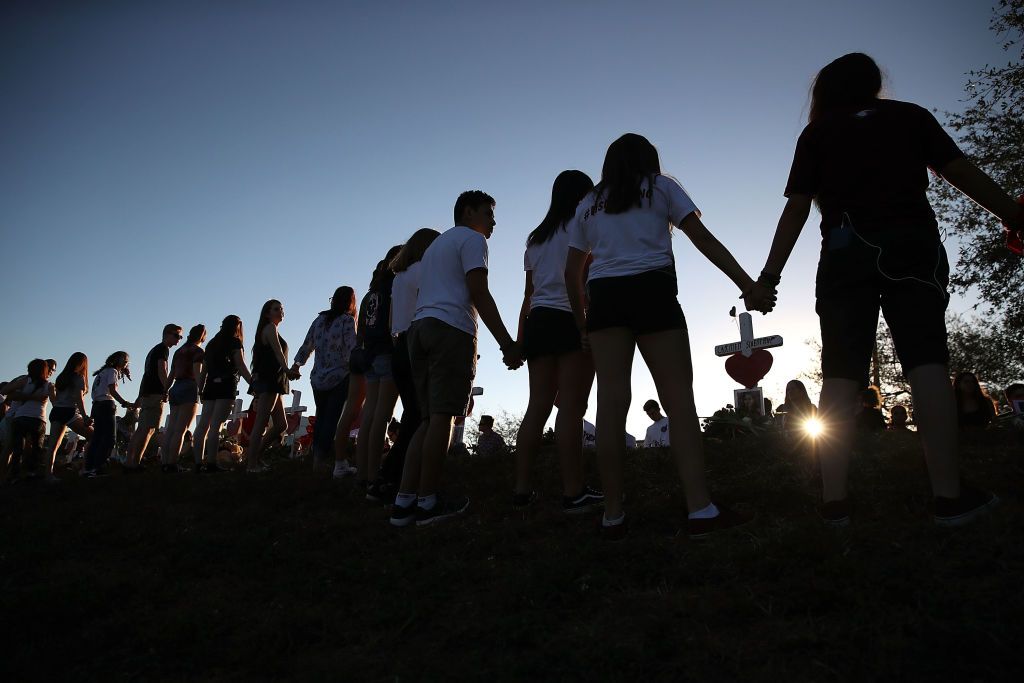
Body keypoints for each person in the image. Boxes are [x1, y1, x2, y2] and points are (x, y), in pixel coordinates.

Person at [758, 53, 1023, 525]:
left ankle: (834, 503)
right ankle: (948, 496)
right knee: (925, 360)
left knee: (840, 371)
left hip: (843, 253)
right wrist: (1014, 214)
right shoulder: (910, 116)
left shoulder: (817, 134)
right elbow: (959, 171)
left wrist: (769, 278)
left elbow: (796, 209)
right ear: (874, 83)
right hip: (911, 246)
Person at [565, 134, 769, 539]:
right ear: (649, 159)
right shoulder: (661, 187)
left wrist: (582, 322)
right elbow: (703, 239)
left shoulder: (587, 204)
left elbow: (572, 272)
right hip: (653, 291)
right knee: (678, 400)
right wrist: (748, 284)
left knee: (610, 405)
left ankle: (613, 515)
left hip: (605, 298)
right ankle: (700, 510)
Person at [389, 190, 522, 527]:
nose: (493, 221)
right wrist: (507, 342)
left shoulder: (435, 247)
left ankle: (404, 501)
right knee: (444, 417)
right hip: (450, 330)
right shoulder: (472, 240)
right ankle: (429, 500)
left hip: (419, 330)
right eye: (489, 212)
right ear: (468, 212)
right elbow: (478, 291)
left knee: (426, 419)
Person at [512, 170, 603, 513]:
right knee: (571, 409)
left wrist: (521, 339)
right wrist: (586, 324)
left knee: (538, 404)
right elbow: (584, 281)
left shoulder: (535, 239)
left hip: (539, 322)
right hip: (571, 317)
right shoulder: (584, 228)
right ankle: (573, 491)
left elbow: (528, 295)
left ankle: (521, 490)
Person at [380, 228, 440, 494]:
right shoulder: (424, 272)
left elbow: (393, 317)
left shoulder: (399, 277)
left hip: (399, 346)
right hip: (418, 342)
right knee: (420, 416)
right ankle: (396, 476)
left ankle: (391, 476)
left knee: (412, 413)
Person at [353, 245, 403, 502]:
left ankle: (362, 471)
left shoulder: (370, 294)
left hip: (369, 356)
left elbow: (361, 328)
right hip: (386, 353)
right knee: (383, 417)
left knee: (369, 415)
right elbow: (393, 323)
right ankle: (374, 474)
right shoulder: (394, 289)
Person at [291, 288, 358, 474]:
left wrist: (297, 365)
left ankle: (315, 459)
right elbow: (352, 349)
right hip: (339, 376)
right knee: (331, 418)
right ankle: (320, 461)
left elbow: (307, 345)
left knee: (321, 417)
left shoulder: (319, 320)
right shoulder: (347, 321)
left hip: (318, 378)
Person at [246, 300, 300, 472]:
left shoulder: (271, 329)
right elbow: (277, 353)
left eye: (282, 309)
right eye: (276, 309)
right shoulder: (270, 328)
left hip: (274, 381)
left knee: (281, 425)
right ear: (267, 313)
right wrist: (287, 370)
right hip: (270, 380)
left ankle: (255, 457)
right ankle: (251, 464)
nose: (281, 311)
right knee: (261, 422)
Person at [193, 315, 253, 472]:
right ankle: (212, 463)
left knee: (203, 424)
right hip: (226, 385)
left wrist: (200, 389)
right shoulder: (234, 342)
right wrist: (253, 383)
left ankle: (198, 462)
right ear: (237, 327)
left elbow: (204, 369)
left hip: (210, 385)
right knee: (216, 425)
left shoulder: (212, 343)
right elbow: (240, 365)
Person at [125, 324, 182, 472]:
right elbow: (161, 370)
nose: (178, 339)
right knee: (148, 429)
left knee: (142, 429)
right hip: (155, 393)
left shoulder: (154, 350)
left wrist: (140, 395)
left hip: (147, 393)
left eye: (180, 337)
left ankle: (130, 462)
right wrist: (166, 389)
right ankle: (134, 463)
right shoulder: (162, 349)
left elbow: (147, 374)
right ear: (167, 334)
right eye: (177, 335)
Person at [162, 324, 206, 473]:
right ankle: (173, 463)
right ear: (202, 337)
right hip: (189, 387)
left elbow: (172, 373)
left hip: (176, 387)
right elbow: (197, 372)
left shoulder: (179, 352)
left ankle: (165, 462)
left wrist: (165, 390)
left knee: (171, 428)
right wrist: (202, 390)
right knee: (181, 430)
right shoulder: (198, 352)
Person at [44, 352, 94, 478]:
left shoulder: (61, 377)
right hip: (69, 411)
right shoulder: (78, 377)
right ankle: (85, 467)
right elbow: (79, 399)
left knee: (53, 446)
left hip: (57, 411)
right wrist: (85, 416)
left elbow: (55, 399)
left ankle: (48, 475)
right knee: (94, 435)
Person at [84, 351, 133, 477]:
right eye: (124, 360)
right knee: (110, 438)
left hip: (97, 405)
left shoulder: (102, 372)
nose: (126, 362)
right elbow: (112, 390)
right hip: (106, 405)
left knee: (97, 438)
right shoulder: (112, 371)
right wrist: (124, 402)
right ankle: (99, 467)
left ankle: (88, 468)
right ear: (117, 359)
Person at [5, 359, 54, 481]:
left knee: (17, 449)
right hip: (38, 419)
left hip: (20, 417)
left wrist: (24, 396)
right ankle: (31, 473)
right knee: (36, 449)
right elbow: (56, 401)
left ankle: (14, 476)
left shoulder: (25, 381)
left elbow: (4, 390)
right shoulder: (48, 385)